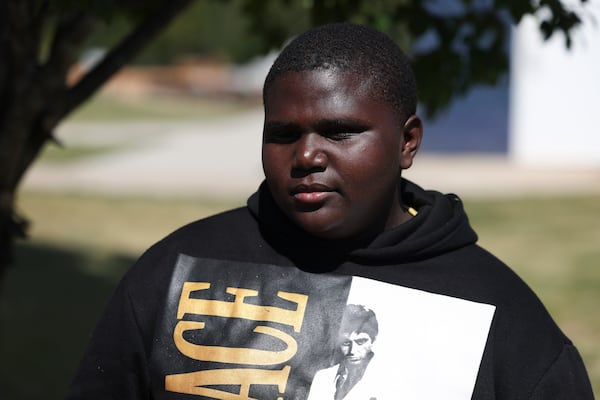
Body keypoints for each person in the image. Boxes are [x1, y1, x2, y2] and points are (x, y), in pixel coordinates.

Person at [67, 22, 595, 399]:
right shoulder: (176, 271)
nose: (307, 156)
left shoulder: (498, 313)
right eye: (283, 134)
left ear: (407, 142)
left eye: (341, 132)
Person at [307, 304, 380, 400]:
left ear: (373, 341)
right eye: (346, 343)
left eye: (360, 342)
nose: (352, 351)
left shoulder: (387, 381)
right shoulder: (322, 377)